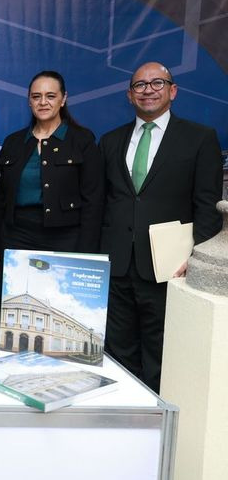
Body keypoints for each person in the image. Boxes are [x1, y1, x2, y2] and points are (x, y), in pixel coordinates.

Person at [100, 62, 223, 393]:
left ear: (173, 91)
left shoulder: (200, 139)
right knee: (118, 353)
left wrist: (197, 257)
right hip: (118, 268)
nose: (148, 90)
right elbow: (102, 204)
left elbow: (208, 207)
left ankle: (157, 425)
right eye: (139, 85)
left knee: (162, 354)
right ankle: (122, 417)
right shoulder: (110, 142)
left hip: (170, 269)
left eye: (157, 83)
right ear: (129, 95)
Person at [0, 70, 104, 275]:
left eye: (50, 96)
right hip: (17, 237)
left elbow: (94, 202)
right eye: (36, 96)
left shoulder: (82, 140)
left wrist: (87, 253)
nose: (43, 102)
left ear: (63, 99)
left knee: (59, 303)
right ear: (29, 101)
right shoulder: (13, 142)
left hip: (66, 238)